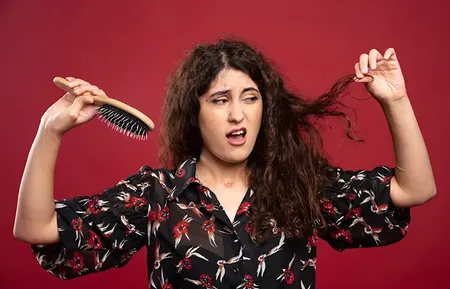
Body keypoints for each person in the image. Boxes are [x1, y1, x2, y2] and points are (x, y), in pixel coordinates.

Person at [13, 38, 436, 289]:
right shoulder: (158, 193)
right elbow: (36, 229)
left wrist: (395, 100)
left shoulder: (299, 183)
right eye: (220, 100)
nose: (238, 115)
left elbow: (414, 190)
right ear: (193, 115)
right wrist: (50, 130)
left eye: (250, 98)